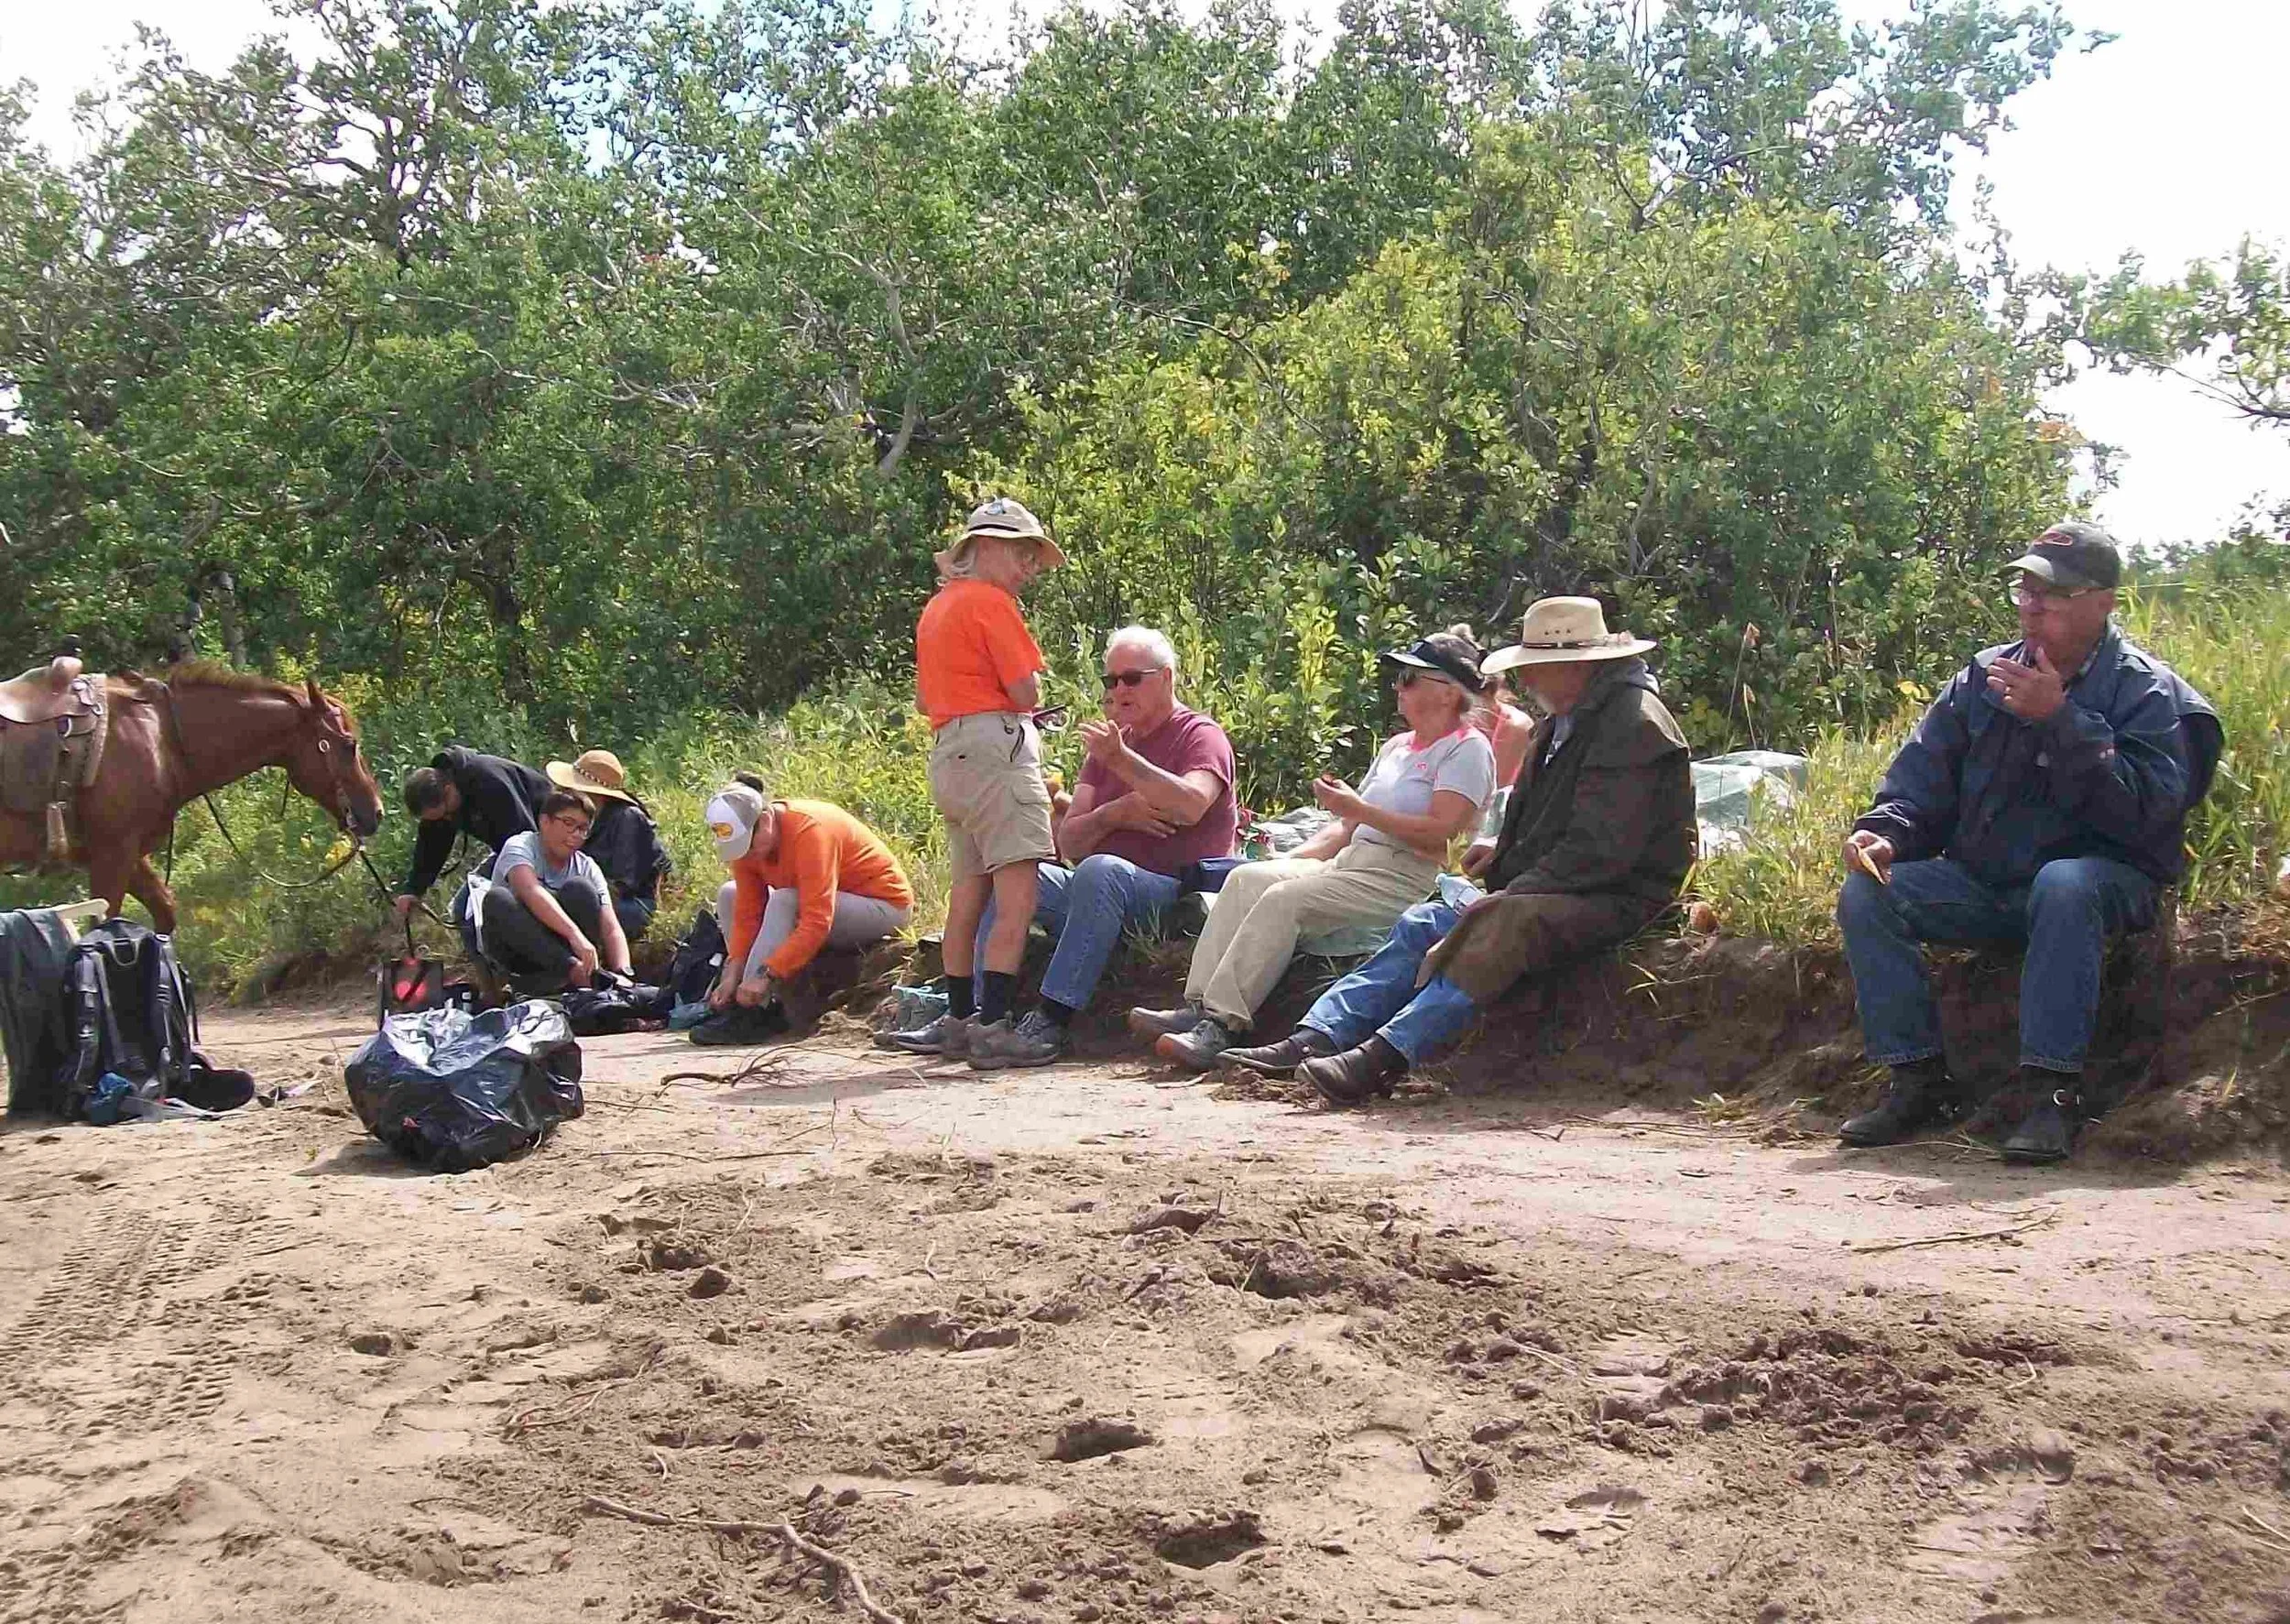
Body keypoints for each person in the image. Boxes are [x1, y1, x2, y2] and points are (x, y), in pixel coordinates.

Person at [1835, 522, 2220, 1164]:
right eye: (2025, 589)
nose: (2034, 606)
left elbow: (2149, 815)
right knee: (1872, 892)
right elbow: (1919, 784)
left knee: (2065, 883)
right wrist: (1885, 832)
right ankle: (1917, 1081)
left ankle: (2054, 1094)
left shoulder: (2145, 690)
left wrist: (2062, 721)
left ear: (2103, 603)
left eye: (2056, 592)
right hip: (1992, 886)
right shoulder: (1982, 678)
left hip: (2105, 886)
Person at [1221, 597, 1694, 1104]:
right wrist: (1503, 852)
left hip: (1624, 894)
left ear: (1574, 665)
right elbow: (1561, 823)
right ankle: (1317, 1035)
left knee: (1501, 925)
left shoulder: (1632, 726)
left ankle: (1382, 1056)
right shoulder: (1571, 719)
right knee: (1425, 921)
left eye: (1536, 668)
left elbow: (1603, 851)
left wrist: (1510, 892)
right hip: (1570, 883)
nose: (1527, 682)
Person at [1132, 627, 1496, 1070]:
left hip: (1407, 877)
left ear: (1445, 692)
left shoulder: (1468, 750)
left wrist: (1359, 808)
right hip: (1351, 864)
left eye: (1409, 678)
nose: (1397, 687)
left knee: (1286, 902)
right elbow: (1344, 827)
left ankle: (1222, 1025)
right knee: (1247, 878)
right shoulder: (1398, 746)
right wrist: (1287, 859)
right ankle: (1197, 1005)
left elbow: (1442, 835)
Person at [894, 624, 1239, 1070]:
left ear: (1167, 678)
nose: (1119, 689)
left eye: (1132, 678)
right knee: (1010, 875)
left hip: (1176, 893)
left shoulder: (1199, 735)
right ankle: (977, 1013)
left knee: (1102, 872)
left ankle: (1051, 1020)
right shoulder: (1108, 745)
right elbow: (1071, 840)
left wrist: (1123, 763)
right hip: (1100, 887)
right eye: (1110, 680)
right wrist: (1115, 814)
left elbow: (1192, 805)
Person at [889, 496, 1064, 1066]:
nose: (1029, 567)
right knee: (1018, 895)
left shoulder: (937, 608)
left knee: (968, 892)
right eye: (1022, 552)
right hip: (997, 751)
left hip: (950, 754)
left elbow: (923, 700)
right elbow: (1025, 695)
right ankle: (995, 1026)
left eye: (1033, 556)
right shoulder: (993, 604)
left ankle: (958, 1015)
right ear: (985, 548)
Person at [692, 777, 916, 1046]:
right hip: (824, 904)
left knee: (785, 900)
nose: (748, 855)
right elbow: (748, 911)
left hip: (881, 907)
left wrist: (766, 975)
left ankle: (753, 1010)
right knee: (730, 893)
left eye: (750, 845)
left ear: (765, 820)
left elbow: (817, 920)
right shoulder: (747, 847)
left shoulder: (810, 831)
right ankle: (746, 997)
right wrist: (732, 972)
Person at [477, 789, 632, 996]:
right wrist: (575, 937)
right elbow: (530, 891)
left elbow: (611, 926)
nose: (576, 834)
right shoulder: (520, 846)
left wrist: (624, 972)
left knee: (581, 888)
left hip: (570, 953)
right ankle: (567, 972)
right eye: (568, 824)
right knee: (498, 899)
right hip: (520, 950)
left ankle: (575, 976)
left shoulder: (586, 866)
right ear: (545, 821)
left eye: (583, 829)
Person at [392, 747, 550, 922]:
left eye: (445, 815)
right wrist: (413, 890)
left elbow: (525, 839)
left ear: (448, 789)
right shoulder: (440, 803)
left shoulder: (489, 781)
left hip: (547, 844)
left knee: (490, 909)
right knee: (463, 909)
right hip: (511, 850)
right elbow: (431, 847)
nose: (446, 820)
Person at [549, 748, 672, 943]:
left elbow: (621, 885)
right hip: (596, 896)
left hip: (637, 906)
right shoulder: (589, 820)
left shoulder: (628, 819)